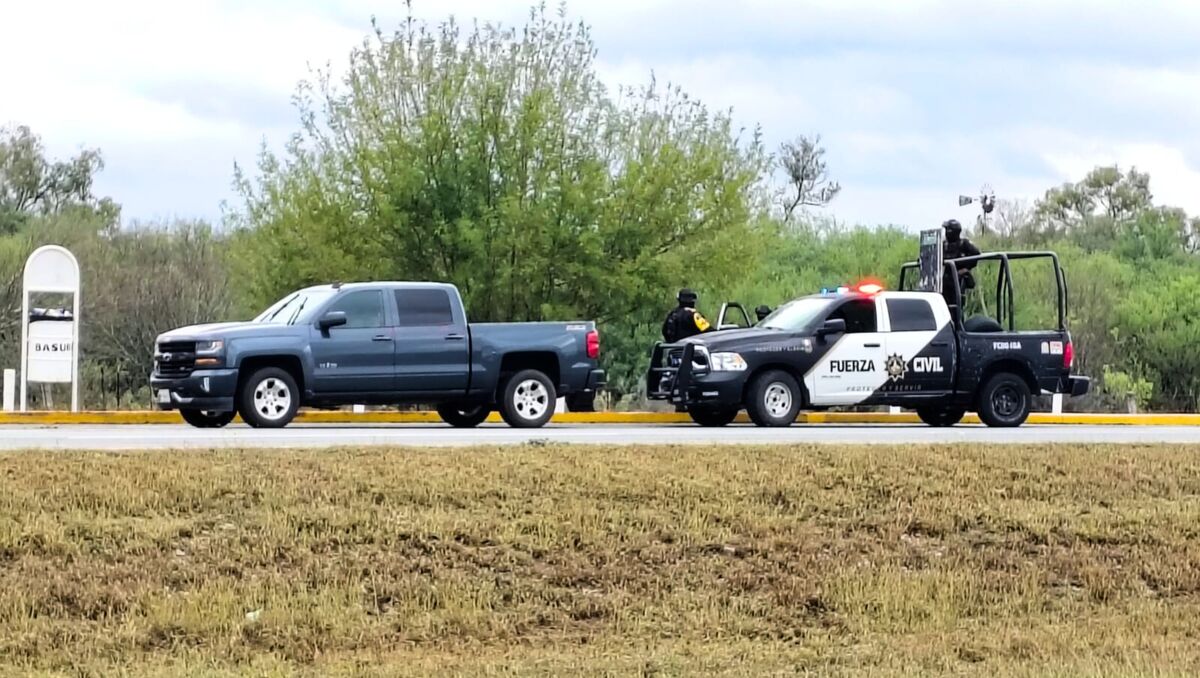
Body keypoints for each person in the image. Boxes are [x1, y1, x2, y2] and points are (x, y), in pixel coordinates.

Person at [942, 219, 981, 292]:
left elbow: (977, 254)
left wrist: (966, 269)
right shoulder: (944, 245)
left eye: (947, 230)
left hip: (959, 278)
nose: (946, 233)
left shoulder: (963, 243)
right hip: (946, 278)